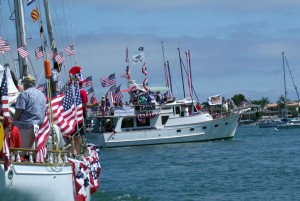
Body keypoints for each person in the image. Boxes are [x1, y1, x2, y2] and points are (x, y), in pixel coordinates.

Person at [13, 75, 46, 148]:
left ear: (25, 84)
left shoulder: (24, 94)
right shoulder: (42, 95)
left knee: (7, 128)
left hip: (26, 125)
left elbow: (18, 111)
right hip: (39, 125)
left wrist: (13, 121)